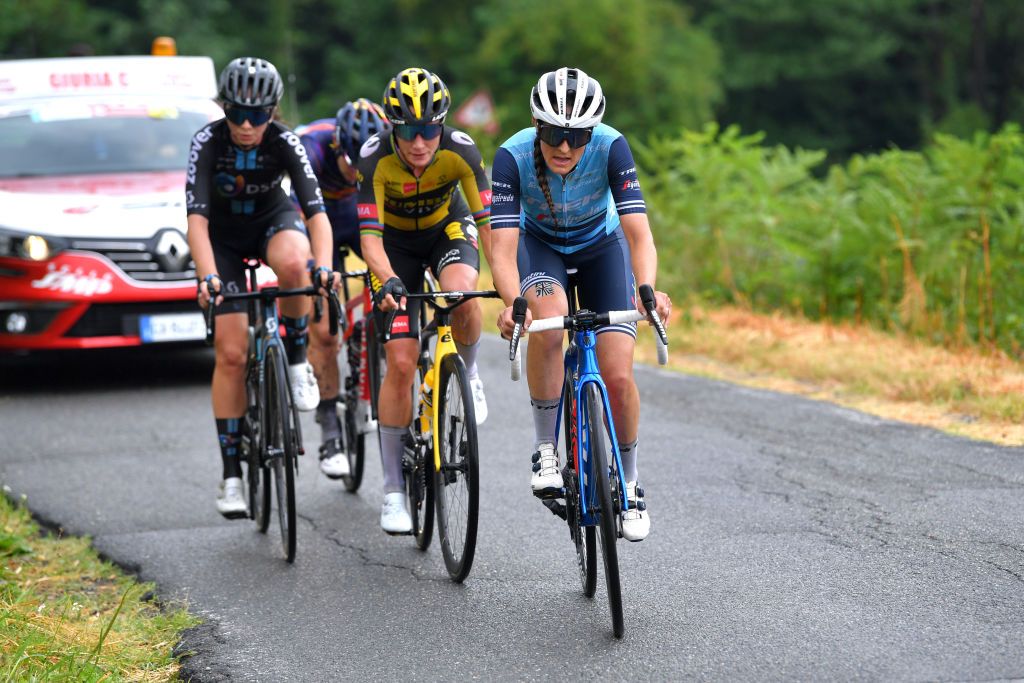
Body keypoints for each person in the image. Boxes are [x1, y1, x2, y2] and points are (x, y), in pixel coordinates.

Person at [491, 67, 672, 542]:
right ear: (537, 125)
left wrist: (648, 289)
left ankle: (630, 482)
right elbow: (503, 247)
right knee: (549, 323)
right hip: (541, 247)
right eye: (553, 133)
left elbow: (639, 234)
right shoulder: (511, 156)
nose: (565, 147)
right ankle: (545, 448)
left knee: (616, 374)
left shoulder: (613, 147)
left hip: (600, 247)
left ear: (591, 133)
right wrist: (514, 302)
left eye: (577, 136)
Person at [186, 57, 336, 519]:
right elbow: (196, 219)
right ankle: (232, 474)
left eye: (259, 115)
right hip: (223, 240)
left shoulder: (283, 141)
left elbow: (316, 214)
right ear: (223, 107)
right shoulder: (207, 141)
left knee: (297, 264)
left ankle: (294, 360)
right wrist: (207, 275)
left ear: (273, 112)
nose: (247, 125)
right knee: (231, 354)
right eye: (237, 113)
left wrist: (325, 268)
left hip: (273, 220)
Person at [358, 67, 492, 534]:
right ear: (392, 127)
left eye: (429, 130)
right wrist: (390, 281)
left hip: (444, 231)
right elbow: (370, 241)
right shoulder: (373, 158)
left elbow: (490, 227)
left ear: (441, 126)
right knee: (400, 360)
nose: (419, 142)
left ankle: (469, 373)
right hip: (392, 248)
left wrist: (508, 287)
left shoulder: (461, 151)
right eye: (409, 131)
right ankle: (394, 489)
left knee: (464, 294)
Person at [293, 99, 392, 480]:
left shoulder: (384, 150)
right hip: (317, 219)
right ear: (338, 147)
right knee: (323, 327)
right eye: (352, 164)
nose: (357, 172)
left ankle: (372, 349)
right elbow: (297, 211)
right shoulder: (312, 146)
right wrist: (317, 267)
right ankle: (330, 425)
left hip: (358, 216)